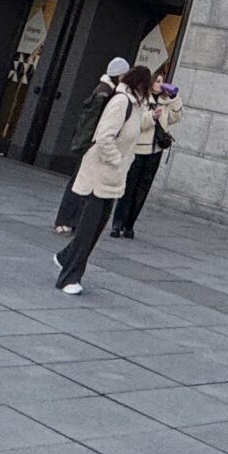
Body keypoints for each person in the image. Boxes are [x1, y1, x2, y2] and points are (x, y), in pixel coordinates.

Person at [54, 64, 156, 294]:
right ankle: (69, 277)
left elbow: (134, 128)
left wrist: (151, 117)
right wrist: (116, 160)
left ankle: (65, 257)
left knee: (96, 229)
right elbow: (104, 137)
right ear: (141, 84)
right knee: (87, 230)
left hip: (113, 178)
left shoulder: (135, 104)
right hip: (99, 174)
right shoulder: (121, 101)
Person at [53, 58, 130, 231]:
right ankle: (65, 220)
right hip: (90, 143)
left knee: (81, 182)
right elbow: (92, 122)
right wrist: (89, 144)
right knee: (78, 183)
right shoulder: (105, 93)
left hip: (90, 142)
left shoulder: (107, 90)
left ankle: (70, 220)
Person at [109, 75, 183, 239]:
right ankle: (117, 223)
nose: (160, 84)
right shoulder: (141, 101)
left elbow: (177, 117)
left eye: (162, 81)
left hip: (155, 150)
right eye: (157, 81)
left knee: (143, 189)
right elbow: (136, 124)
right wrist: (151, 117)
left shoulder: (164, 102)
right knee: (129, 187)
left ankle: (129, 225)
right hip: (138, 149)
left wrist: (174, 97)